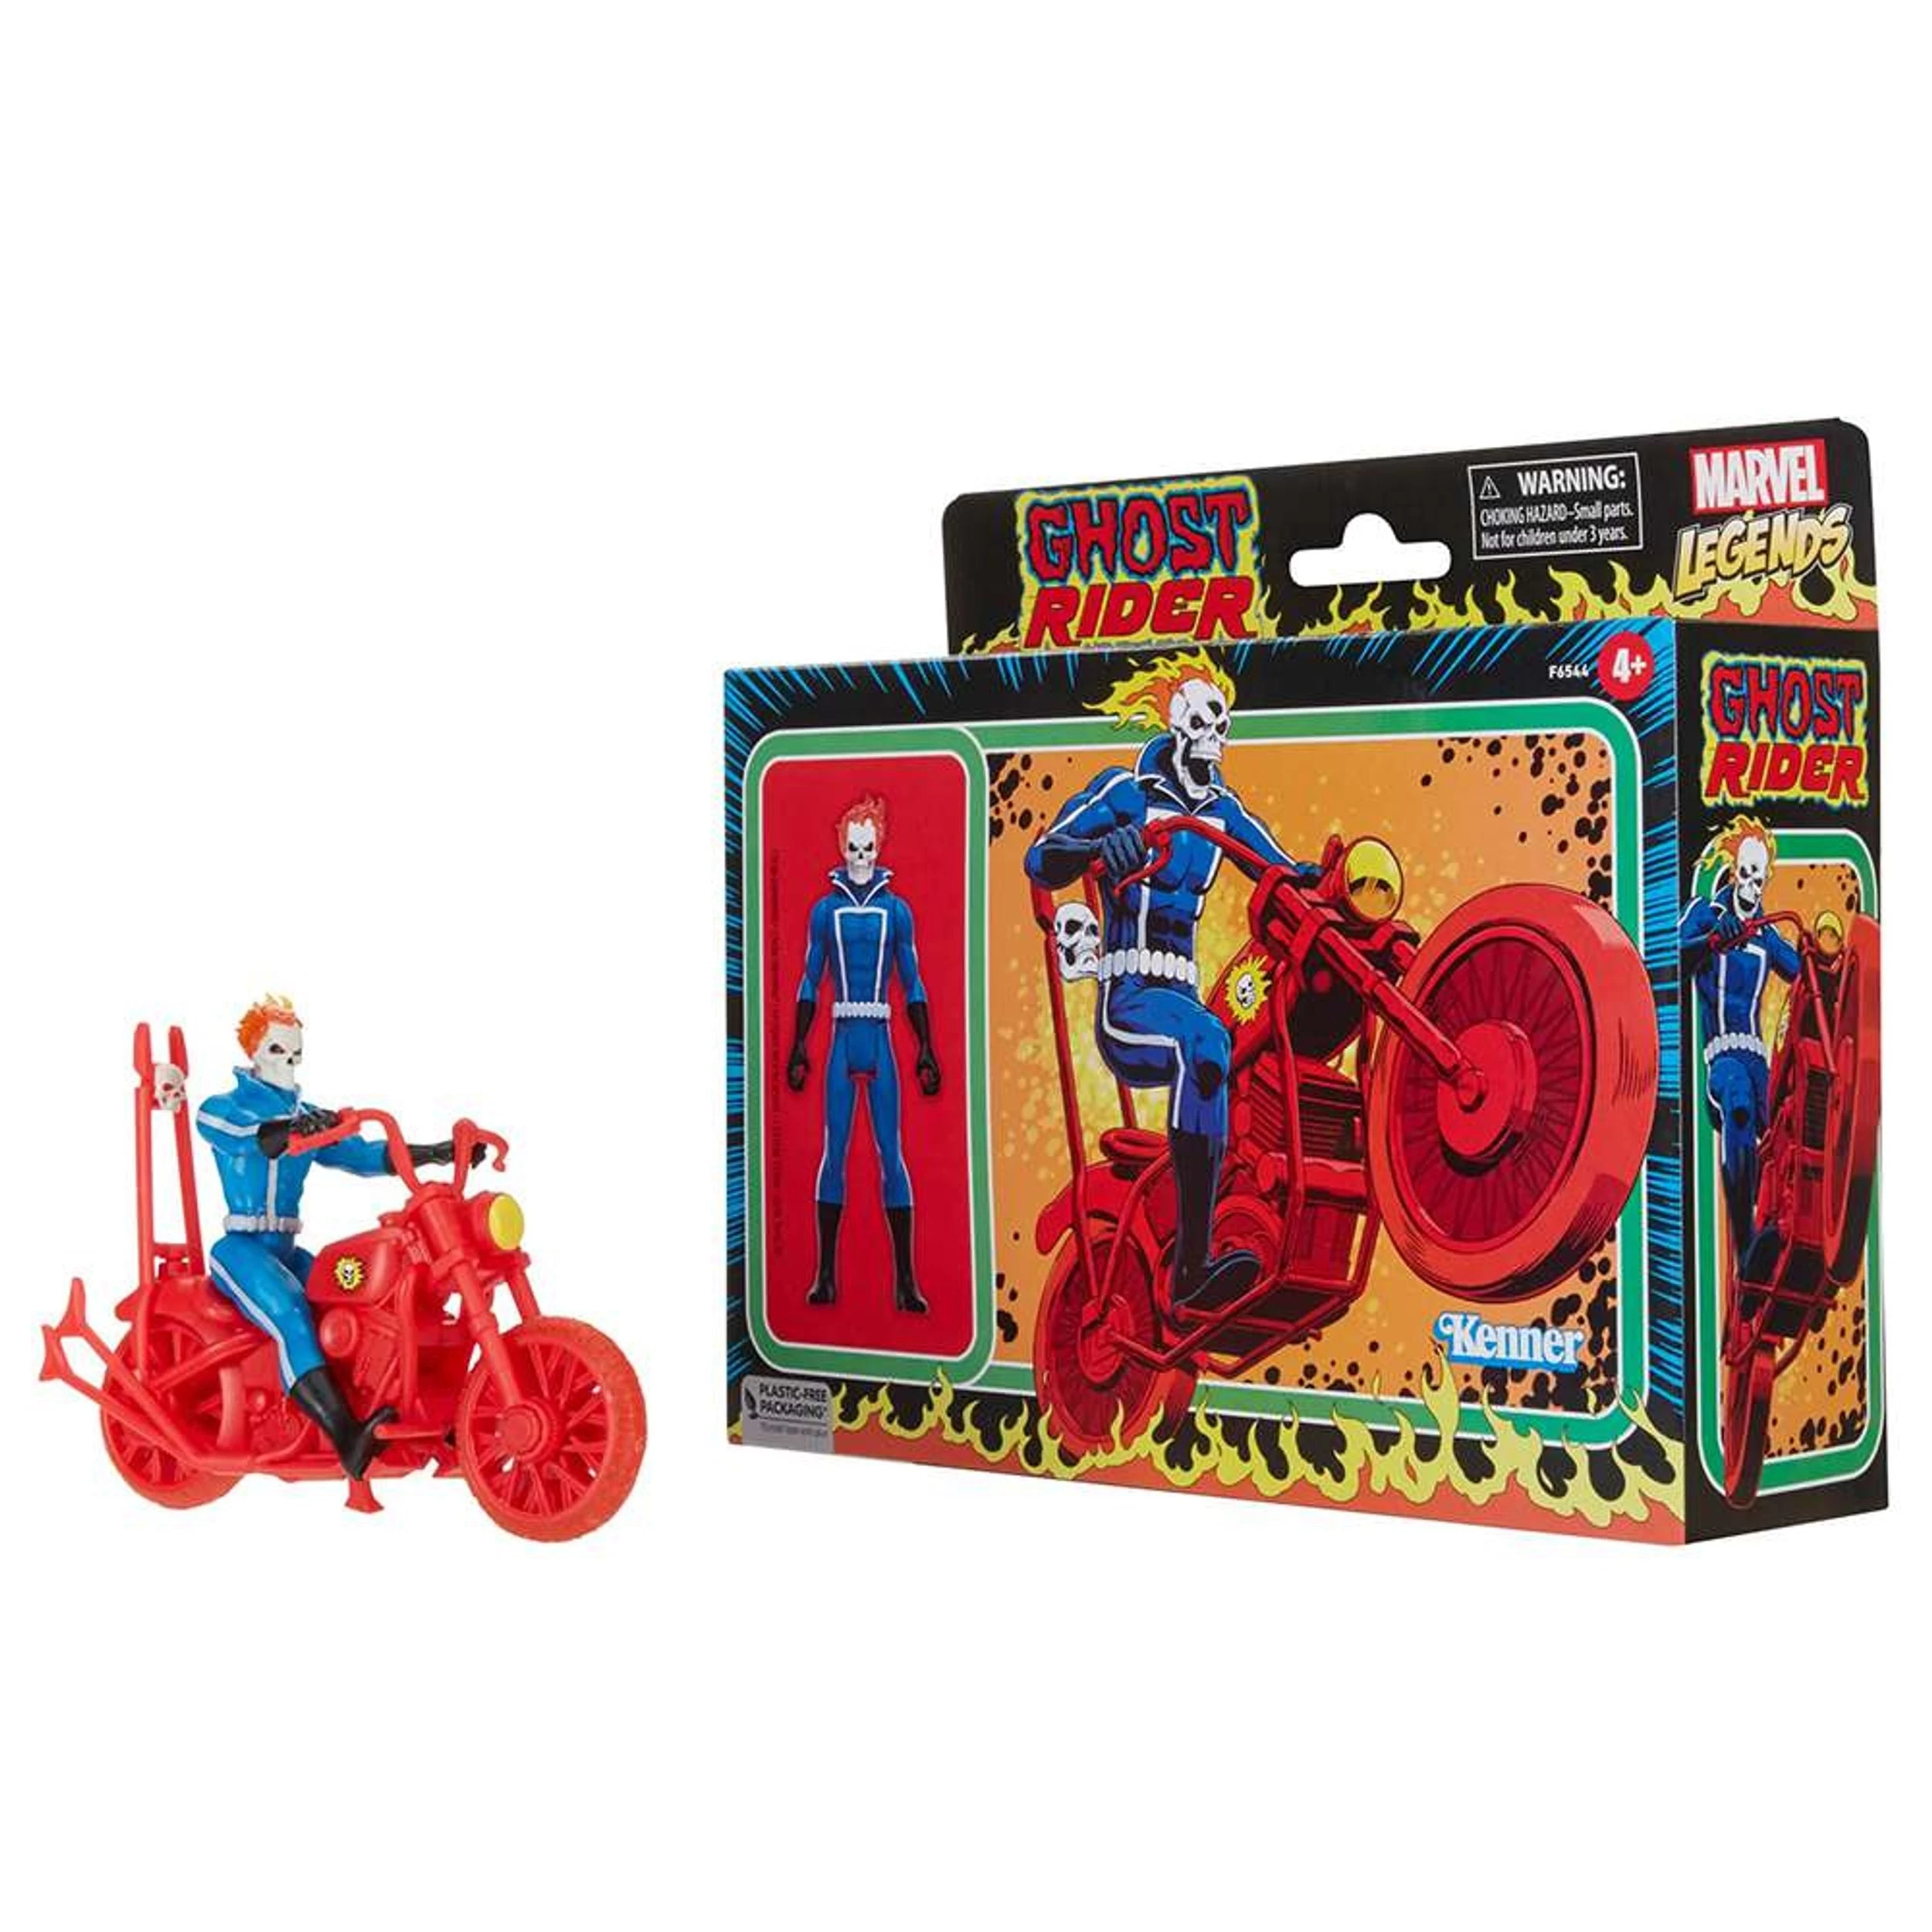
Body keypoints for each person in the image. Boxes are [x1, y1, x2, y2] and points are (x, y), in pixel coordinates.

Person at [1026, 649, 1318, 1318]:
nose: (1220, 734)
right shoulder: (1126, 793)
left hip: (1184, 998)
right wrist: (1101, 849)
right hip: (1129, 1003)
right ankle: (1192, 1270)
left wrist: (1324, 881)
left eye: (1225, 722)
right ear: (1180, 725)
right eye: (1207, 720)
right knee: (1207, 1043)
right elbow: (1043, 857)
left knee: (1252, 1053)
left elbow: (1280, 868)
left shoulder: (1223, 810)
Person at [196, 995, 471, 1476]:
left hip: (287, 1250)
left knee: (355, 1301)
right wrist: (293, 1128)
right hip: (240, 1248)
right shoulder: (224, 1108)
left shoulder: (308, 1114)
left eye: (296, 1053)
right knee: (291, 1314)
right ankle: (347, 1436)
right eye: (277, 1050)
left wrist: (434, 1152)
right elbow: (250, 1138)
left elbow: (362, 1154)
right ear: (253, 1051)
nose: (288, 1062)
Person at [787, 795, 941, 1313]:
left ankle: (906, 1282)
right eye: (853, 848)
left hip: (879, 1032)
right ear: (842, 847)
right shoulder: (824, 911)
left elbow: (913, 980)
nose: (860, 858)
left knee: (890, 1155)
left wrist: (926, 1047)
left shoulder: (896, 911)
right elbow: (809, 979)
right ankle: (825, 1276)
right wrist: (798, 1044)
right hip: (841, 1033)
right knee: (834, 1153)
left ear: (878, 848)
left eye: (867, 849)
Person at [1679, 818, 1800, 1274]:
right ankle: (1745, 1243)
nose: (1751, 885)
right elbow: (1669, 955)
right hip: (1723, 1055)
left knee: (1790, 1123)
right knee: (1740, 1104)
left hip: (1757, 1057)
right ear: (1733, 871)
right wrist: (1711, 940)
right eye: (1745, 873)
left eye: (1759, 877)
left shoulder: (1767, 932)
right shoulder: (1706, 912)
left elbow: (1801, 968)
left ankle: (1789, 1227)